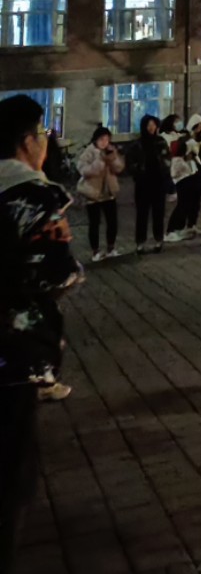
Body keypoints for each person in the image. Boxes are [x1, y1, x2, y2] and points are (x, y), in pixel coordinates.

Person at [0, 95, 81, 572]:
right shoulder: (34, 195)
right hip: (12, 352)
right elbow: (57, 273)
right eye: (44, 136)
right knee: (10, 477)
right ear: (29, 142)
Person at [76, 126, 124, 260]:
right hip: (93, 193)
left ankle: (111, 247)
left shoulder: (111, 151)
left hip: (109, 192)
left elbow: (119, 168)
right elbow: (83, 169)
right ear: (96, 139)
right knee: (94, 223)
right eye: (102, 139)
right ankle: (95, 251)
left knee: (112, 222)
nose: (104, 142)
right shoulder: (89, 152)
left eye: (107, 139)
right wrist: (100, 161)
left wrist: (112, 158)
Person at [125, 115, 169, 254]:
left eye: (153, 125)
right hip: (143, 183)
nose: (151, 127)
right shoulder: (136, 144)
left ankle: (158, 239)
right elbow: (130, 163)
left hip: (158, 182)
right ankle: (140, 242)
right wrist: (138, 172)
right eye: (149, 125)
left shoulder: (161, 141)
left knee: (158, 212)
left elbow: (168, 158)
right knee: (142, 214)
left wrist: (165, 171)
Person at [164, 115, 201, 242]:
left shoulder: (183, 136)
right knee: (182, 203)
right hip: (180, 173)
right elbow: (173, 153)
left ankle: (181, 227)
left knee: (189, 202)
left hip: (189, 171)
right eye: (176, 121)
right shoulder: (169, 137)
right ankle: (171, 230)